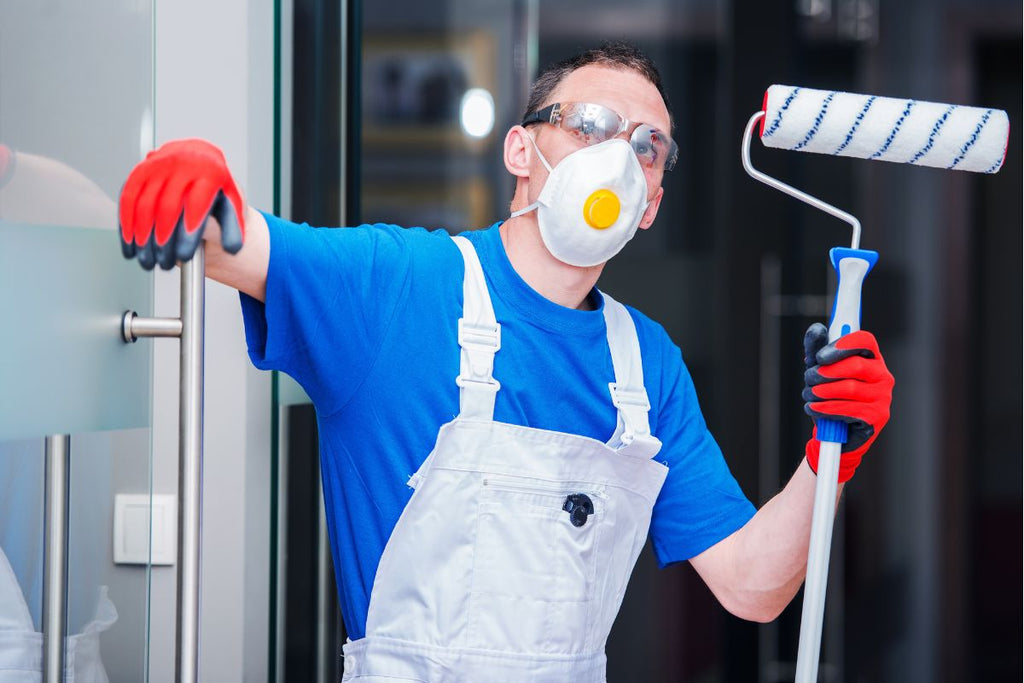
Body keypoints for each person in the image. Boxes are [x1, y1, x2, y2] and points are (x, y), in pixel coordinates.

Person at [118, 42, 893, 682]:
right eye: (591, 123)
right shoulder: (400, 286)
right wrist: (197, 175)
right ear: (522, 148)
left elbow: (755, 586)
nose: (620, 159)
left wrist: (832, 455)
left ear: (653, 201)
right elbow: (227, 239)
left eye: (647, 146)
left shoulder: (647, 365)